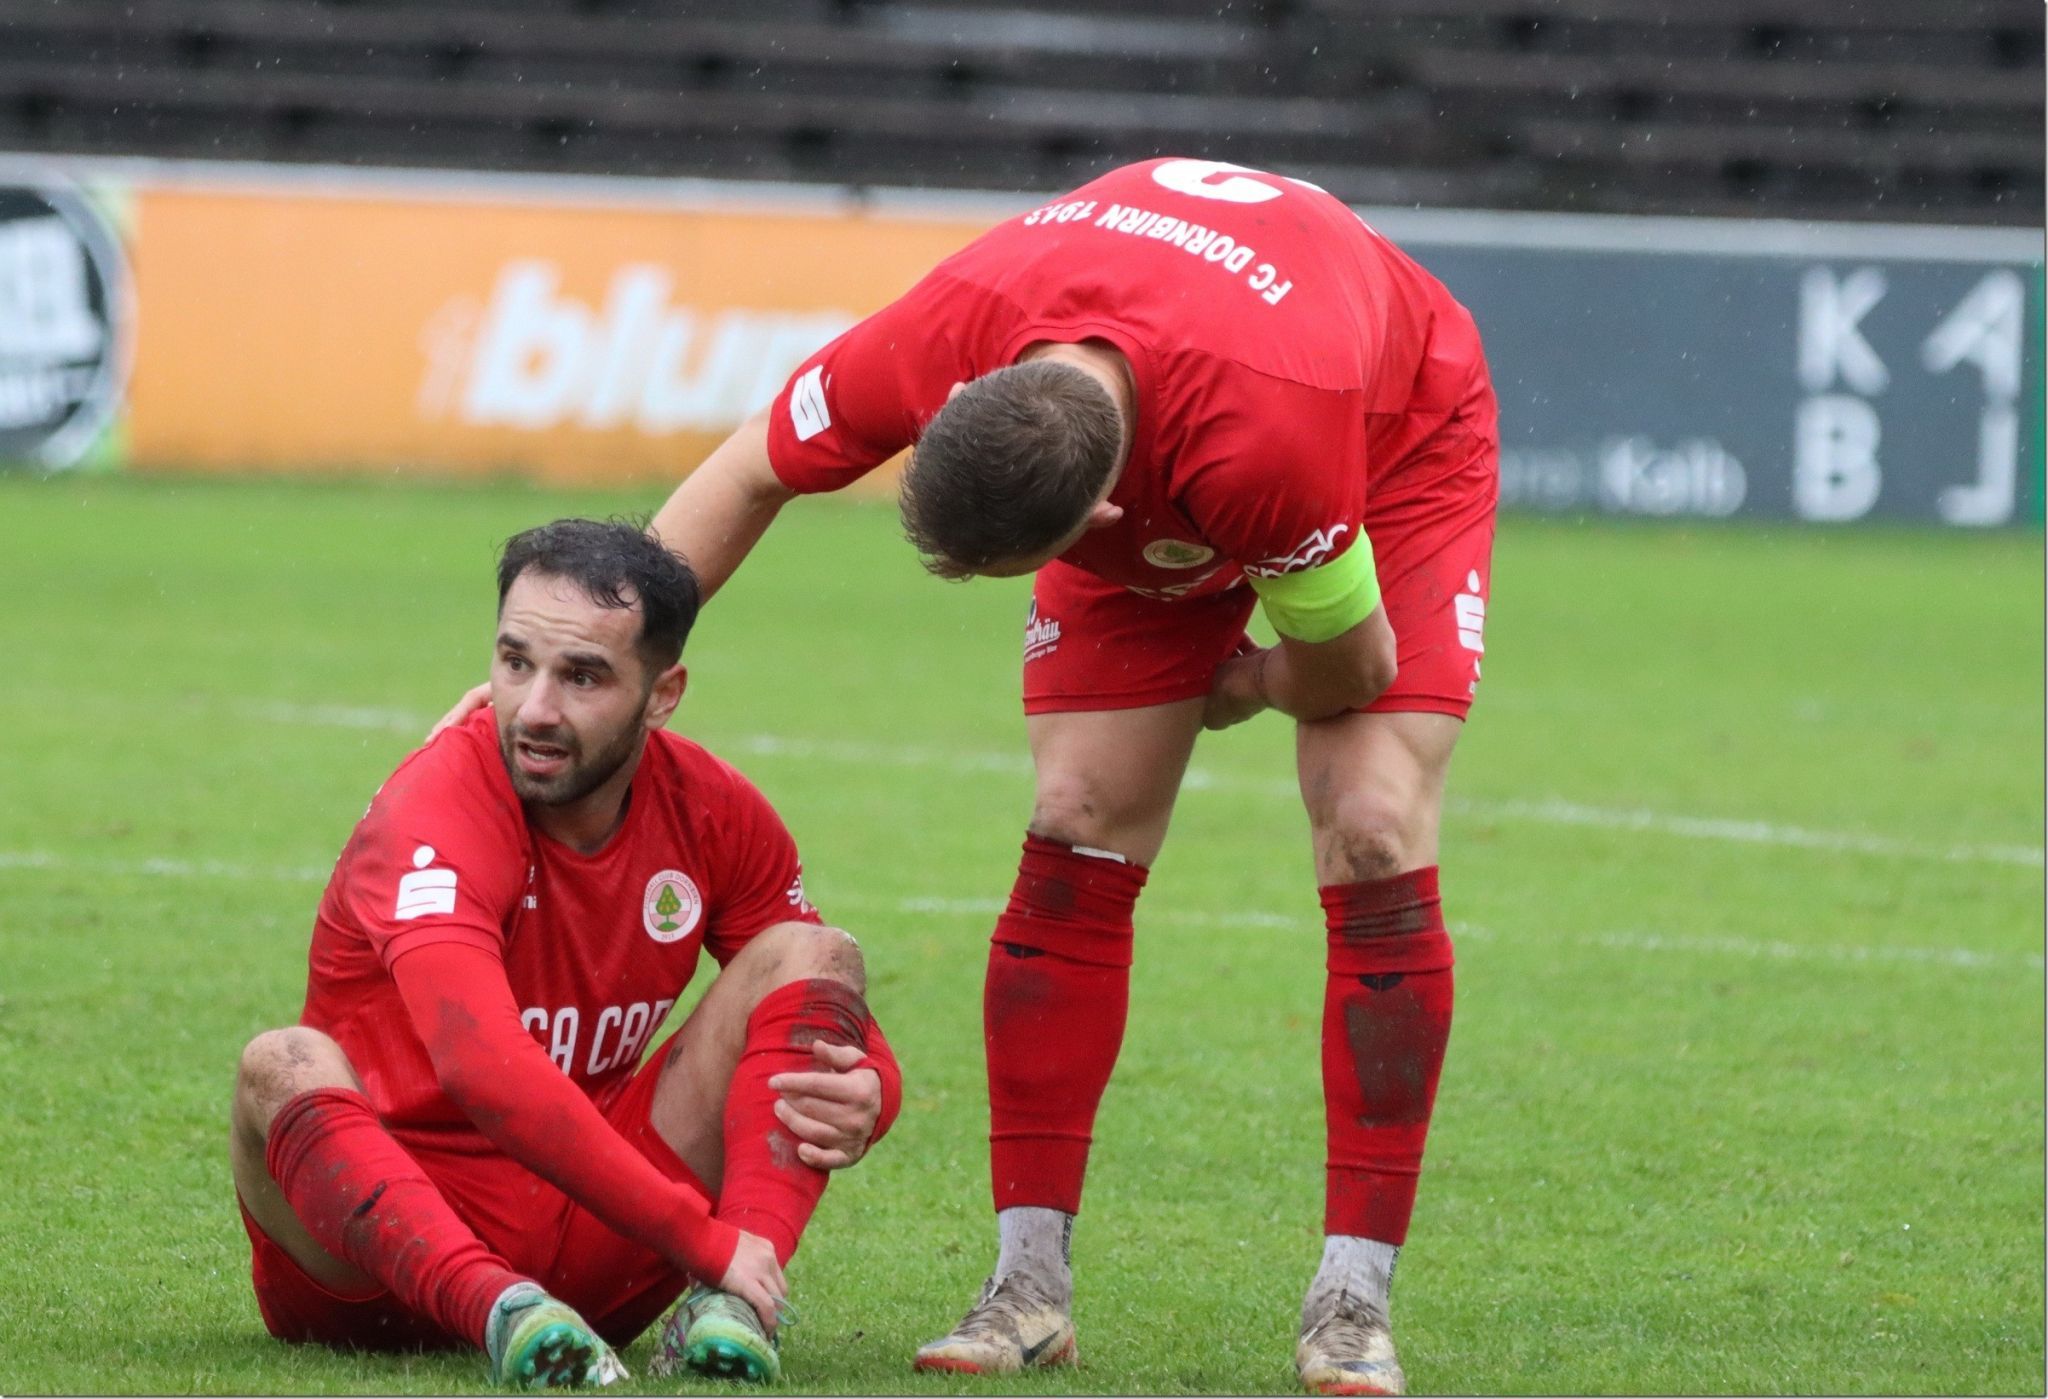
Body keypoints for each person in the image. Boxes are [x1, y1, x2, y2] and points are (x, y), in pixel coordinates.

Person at [442, 155, 1496, 1395]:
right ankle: (1026, 1289)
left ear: (1096, 525)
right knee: (1077, 812)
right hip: (1186, 398)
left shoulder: (1270, 438)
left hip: (1384, 432)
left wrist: (1244, 683)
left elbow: (1350, 664)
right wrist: (572, 671)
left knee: (1370, 823)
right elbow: (747, 470)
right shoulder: (946, 330)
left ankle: (1352, 1301)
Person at [233, 518, 902, 1389]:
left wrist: (873, 1090)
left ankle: (735, 1306)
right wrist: (695, 1235)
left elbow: (828, 1014)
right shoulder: (435, 804)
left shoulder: (712, 810)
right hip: (371, 1263)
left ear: (662, 694)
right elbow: (482, 1066)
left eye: (582, 676)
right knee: (280, 1062)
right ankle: (501, 1308)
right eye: (515, 662)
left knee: (813, 951)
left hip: (591, 1247)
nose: (536, 708)